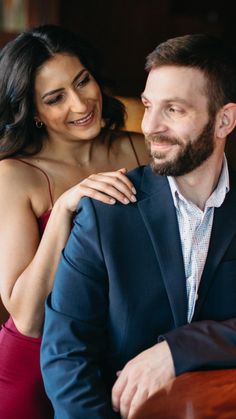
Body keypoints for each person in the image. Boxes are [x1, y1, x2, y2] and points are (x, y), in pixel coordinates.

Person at [41, 33, 236, 419]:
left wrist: (178, 349)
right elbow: (65, 354)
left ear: (224, 120)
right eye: (148, 106)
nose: (150, 126)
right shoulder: (106, 214)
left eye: (174, 110)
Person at [0, 24, 149, 419]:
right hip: (31, 375)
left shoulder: (142, 149)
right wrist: (64, 208)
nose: (81, 105)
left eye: (83, 81)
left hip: (122, 364)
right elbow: (28, 318)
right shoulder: (15, 176)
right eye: (55, 98)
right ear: (33, 112)